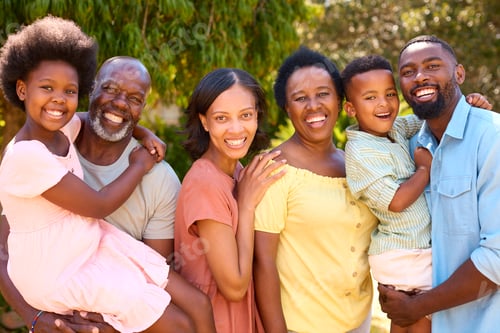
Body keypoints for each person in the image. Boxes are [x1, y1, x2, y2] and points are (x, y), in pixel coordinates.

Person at [0, 16, 215, 333]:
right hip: (58, 273)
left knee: (198, 304)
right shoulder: (28, 156)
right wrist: (139, 165)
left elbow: (90, 117)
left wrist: (142, 133)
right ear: (22, 88)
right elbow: (99, 206)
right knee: (180, 325)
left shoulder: (62, 130)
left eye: (68, 91)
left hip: (92, 246)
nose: (58, 99)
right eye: (47, 88)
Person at [378, 35, 500, 333]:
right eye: (408, 72)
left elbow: (497, 257)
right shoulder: (407, 148)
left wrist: (418, 306)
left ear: (459, 74)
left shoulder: (492, 138)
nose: (420, 77)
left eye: (433, 66)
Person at [253, 46, 379, 333]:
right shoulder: (274, 170)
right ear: (287, 108)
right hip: (301, 326)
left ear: (339, 99)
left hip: (359, 321)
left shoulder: (357, 162)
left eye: (323, 93)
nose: (313, 106)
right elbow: (263, 264)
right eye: (300, 98)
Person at [174, 68, 286, 333]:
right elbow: (234, 287)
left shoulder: (235, 171)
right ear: (204, 121)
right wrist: (246, 205)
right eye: (222, 118)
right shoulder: (205, 183)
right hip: (217, 323)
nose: (236, 129)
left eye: (246, 115)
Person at [342, 54, 432, 333]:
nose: (384, 103)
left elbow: (427, 121)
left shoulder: (395, 129)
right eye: (370, 98)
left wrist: (467, 104)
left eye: (390, 94)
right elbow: (396, 201)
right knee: (422, 317)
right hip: (403, 250)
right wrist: (424, 170)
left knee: (405, 320)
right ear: (351, 108)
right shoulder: (360, 151)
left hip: (409, 247)